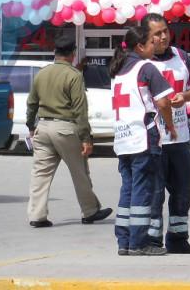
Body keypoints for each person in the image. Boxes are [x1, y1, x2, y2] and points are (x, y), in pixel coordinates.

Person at [26, 35, 112, 228]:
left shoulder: (41, 73)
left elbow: (31, 103)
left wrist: (31, 126)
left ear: (54, 53)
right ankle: (90, 211)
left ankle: (37, 215)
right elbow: (80, 110)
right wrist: (86, 137)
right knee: (79, 171)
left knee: (40, 173)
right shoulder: (74, 75)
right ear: (73, 54)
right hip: (65, 128)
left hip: (43, 128)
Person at [141, 13, 190, 254]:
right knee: (155, 193)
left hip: (179, 138)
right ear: (146, 37)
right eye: (156, 33)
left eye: (165, 31)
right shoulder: (141, 62)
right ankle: (152, 241)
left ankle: (178, 240)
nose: (163, 37)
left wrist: (185, 97)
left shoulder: (181, 56)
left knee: (182, 192)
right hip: (153, 139)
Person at [110, 26, 176, 256]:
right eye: (151, 42)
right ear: (140, 46)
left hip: (123, 139)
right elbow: (164, 103)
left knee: (127, 189)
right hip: (142, 138)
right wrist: (170, 125)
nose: (156, 45)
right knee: (142, 190)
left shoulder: (119, 70)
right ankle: (138, 243)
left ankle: (124, 241)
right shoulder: (145, 68)